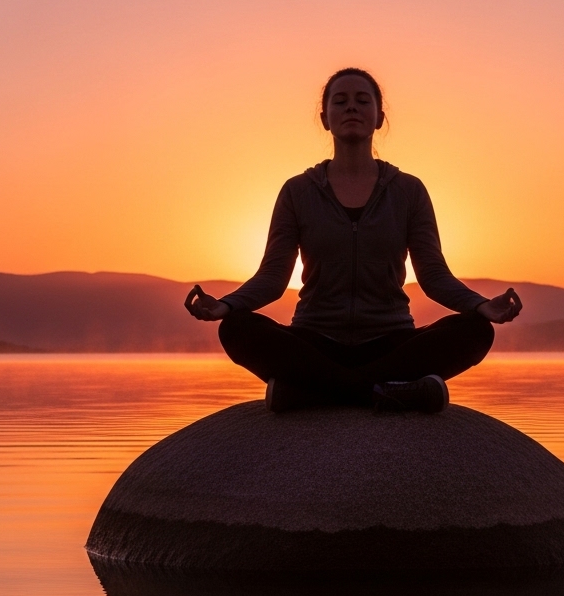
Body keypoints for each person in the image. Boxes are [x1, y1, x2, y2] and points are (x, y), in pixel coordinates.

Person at [185, 68, 522, 413]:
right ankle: (385, 391)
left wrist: (481, 305)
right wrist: (226, 305)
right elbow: (272, 278)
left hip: (391, 341)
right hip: (315, 340)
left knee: (475, 331)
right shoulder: (297, 192)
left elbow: (434, 276)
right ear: (325, 118)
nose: (351, 108)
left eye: (363, 101)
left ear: (379, 117)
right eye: (340, 101)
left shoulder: (408, 191)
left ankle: (311, 394)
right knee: (237, 328)